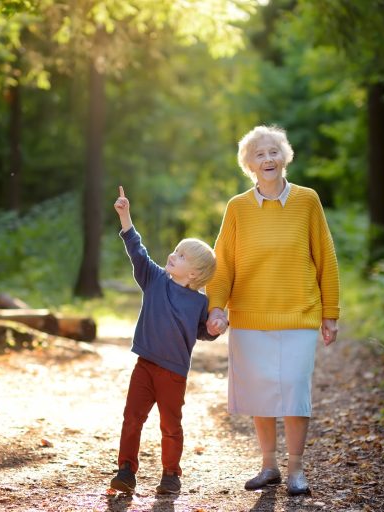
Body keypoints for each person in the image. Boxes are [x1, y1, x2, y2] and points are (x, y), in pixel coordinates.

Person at [205, 125, 340, 495]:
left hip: (298, 314)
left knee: (295, 392)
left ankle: (296, 469)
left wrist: (331, 312)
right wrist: (216, 308)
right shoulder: (237, 208)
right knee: (260, 394)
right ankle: (269, 465)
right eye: (259, 154)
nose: (268, 159)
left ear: (285, 157)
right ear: (249, 165)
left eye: (273, 152)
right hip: (249, 318)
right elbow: (224, 264)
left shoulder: (307, 201)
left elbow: (325, 258)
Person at [109, 185, 219, 495]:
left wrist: (212, 328)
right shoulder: (154, 279)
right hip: (145, 365)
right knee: (132, 418)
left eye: (181, 256)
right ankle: (126, 470)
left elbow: (200, 331)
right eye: (175, 250)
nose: (172, 255)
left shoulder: (199, 303)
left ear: (194, 274)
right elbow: (137, 251)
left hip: (173, 373)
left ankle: (171, 474)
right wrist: (125, 215)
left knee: (171, 426)